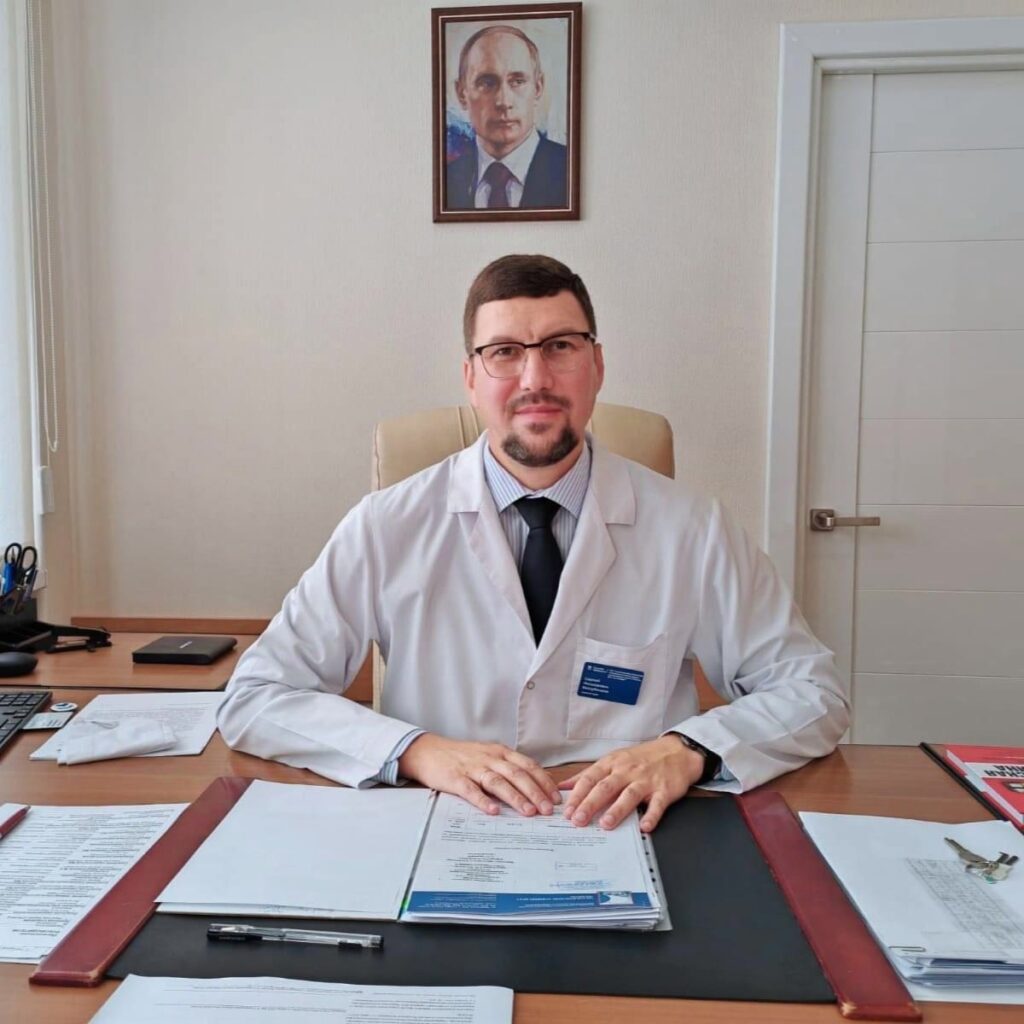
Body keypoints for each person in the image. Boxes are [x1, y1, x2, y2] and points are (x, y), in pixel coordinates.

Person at [218, 255, 849, 833]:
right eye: (504, 353)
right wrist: (416, 751)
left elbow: (812, 694)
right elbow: (256, 697)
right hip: (436, 825)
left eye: (560, 347)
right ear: (471, 377)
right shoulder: (385, 527)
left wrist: (689, 751)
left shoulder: (694, 529)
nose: (535, 378)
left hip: (629, 832)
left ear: (596, 366)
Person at [446, 25, 568, 210]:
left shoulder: (570, 169)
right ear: (462, 93)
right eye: (487, 83)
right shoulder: (447, 180)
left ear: (538, 88)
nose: (504, 101)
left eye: (518, 81)